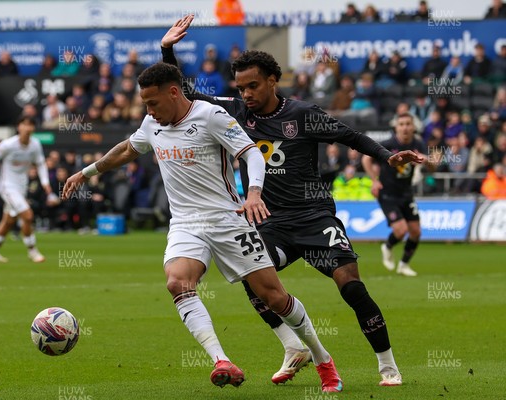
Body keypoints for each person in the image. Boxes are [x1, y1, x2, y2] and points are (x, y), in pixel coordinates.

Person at [161, 15, 423, 387]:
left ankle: (387, 364)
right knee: (255, 283)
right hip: (272, 222)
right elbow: (185, 93)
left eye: (253, 86)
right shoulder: (236, 111)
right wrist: (167, 49)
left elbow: (352, 138)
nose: (246, 94)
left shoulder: (303, 115)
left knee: (351, 287)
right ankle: (291, 346)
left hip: (316, 217)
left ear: (272, 80)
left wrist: (387, 154)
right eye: (241, 88)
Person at [61, 62, 343, 392]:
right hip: (185, 223)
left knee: (273, 296)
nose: (149, 111)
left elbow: (252, 154)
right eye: (145, 104)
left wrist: (253, 193)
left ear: (174, 92)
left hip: (227, 219)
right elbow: (127, 149)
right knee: (178, 283)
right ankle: (221, 361)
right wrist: (87, 172)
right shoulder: (152, 123)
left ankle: (323, 360)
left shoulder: (211, 116)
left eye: (153, 102)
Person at [362, 113, 430, 277]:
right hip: (388, 193)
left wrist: (428, 161)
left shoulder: (418, 143)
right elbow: (366, 159)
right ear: (396, 127)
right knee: (401, 231)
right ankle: (387, 246)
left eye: (408, 124)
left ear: (413, 127)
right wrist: (374, 181)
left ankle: (404, 265)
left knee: (416, 232)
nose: (405, 127)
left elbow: (430, 166)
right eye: (401, 124)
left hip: (406, 193)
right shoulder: (388, 144)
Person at [0, 116, 53, 263]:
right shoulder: (8, 144)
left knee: (9, 220)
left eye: (31, 125)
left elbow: (40, 164)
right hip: (7, 187)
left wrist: (45, 182)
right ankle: (32, 251)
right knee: (27, 215)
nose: (27, 128)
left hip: (22, 188)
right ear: (18, 127)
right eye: (24, 124)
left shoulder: (35, 145)